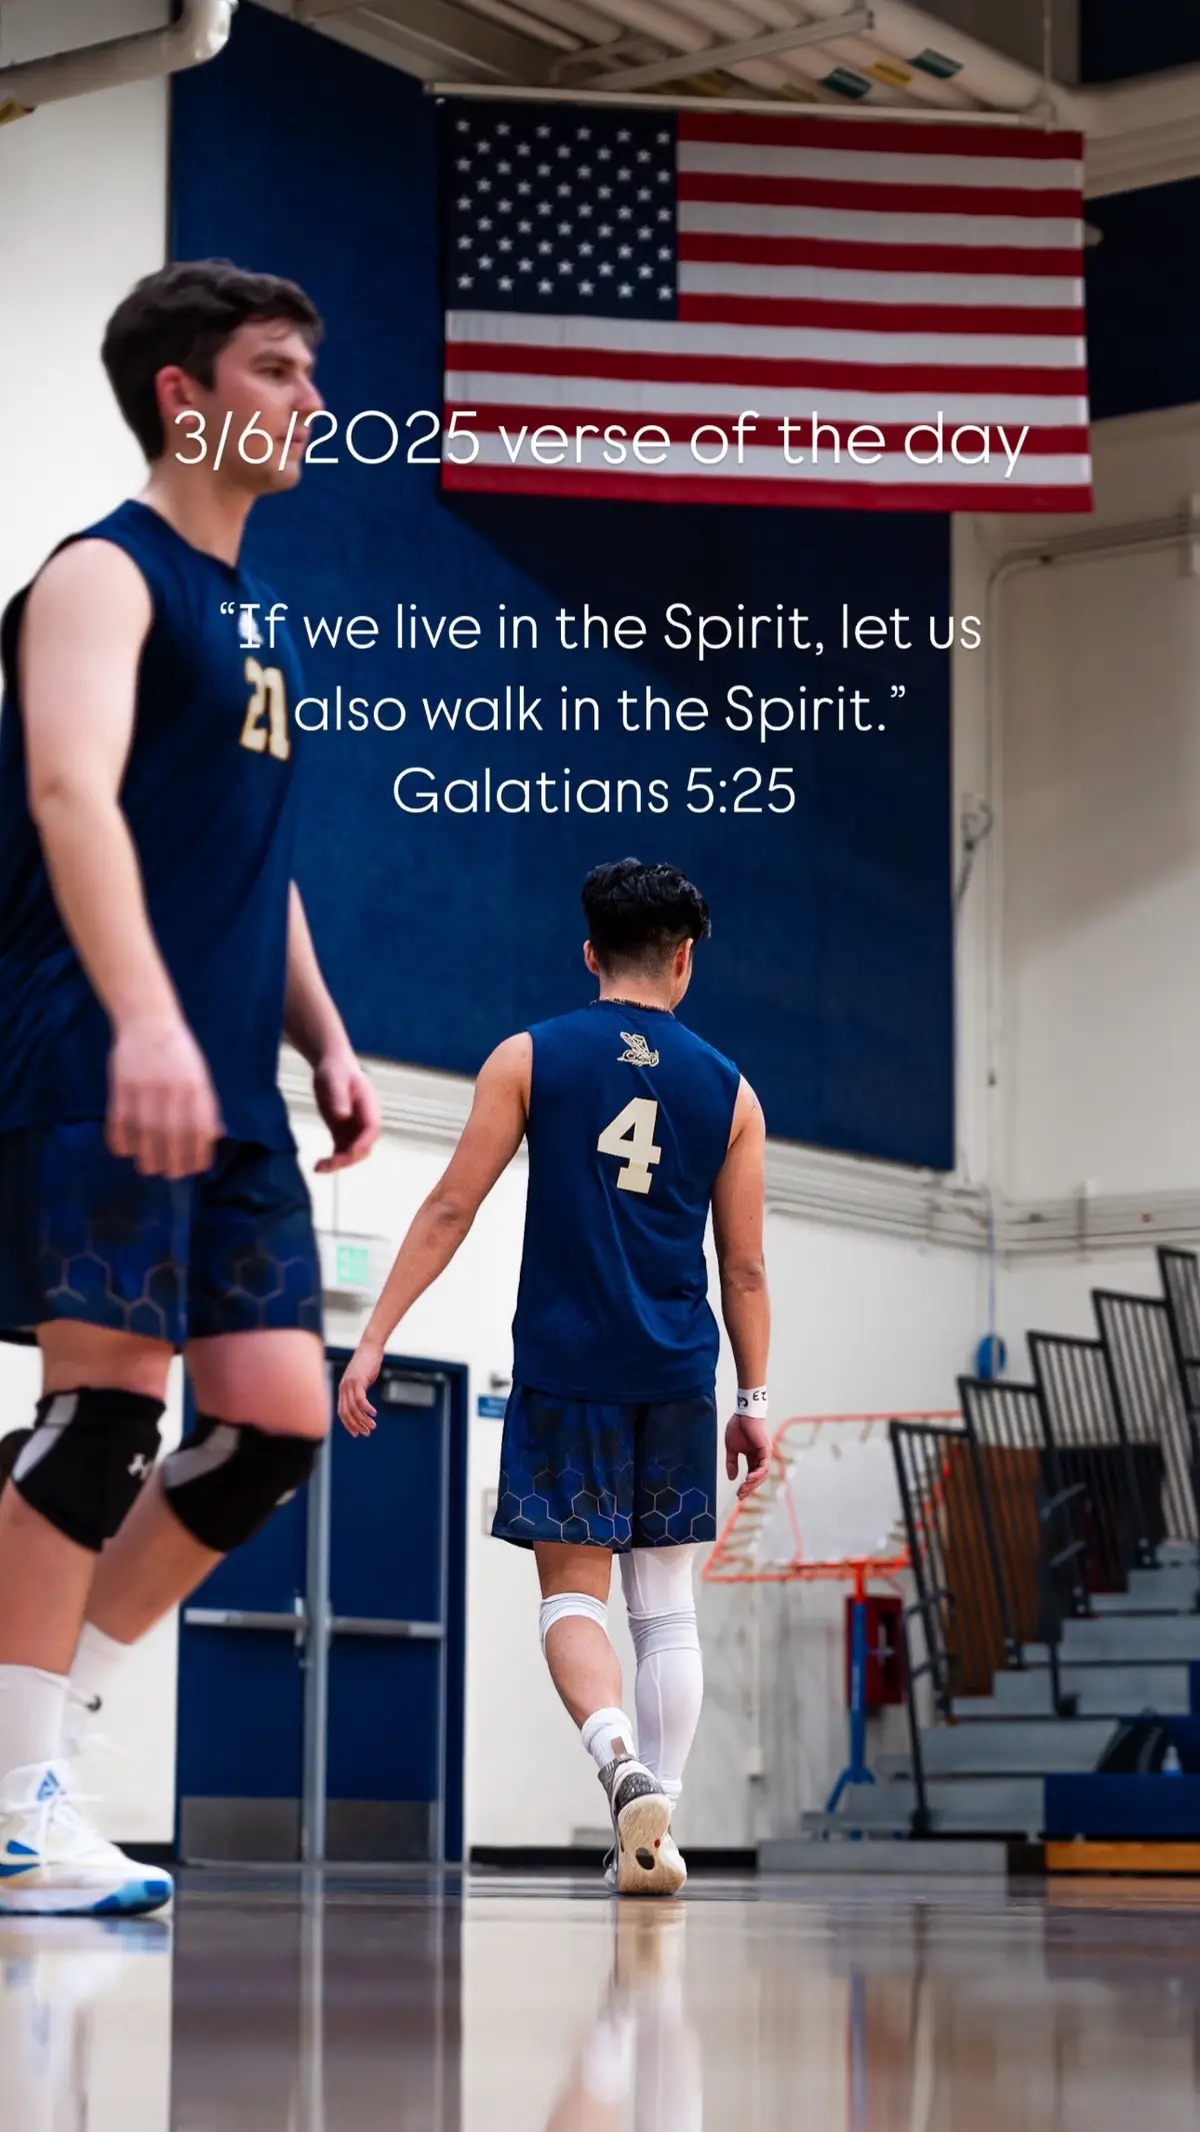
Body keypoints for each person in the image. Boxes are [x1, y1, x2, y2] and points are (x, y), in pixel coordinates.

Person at [0, 260, 380, 1916]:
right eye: (281, 370)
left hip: (226, 1071)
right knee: (103, 1411)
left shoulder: (262, 611)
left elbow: (249, 857)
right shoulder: (100, 574)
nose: (310, 399)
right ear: (187, 394)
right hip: (101, 1040)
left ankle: (34, 1743)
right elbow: (73, 791)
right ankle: (16, 1807)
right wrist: (148, 1019)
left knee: (273, 1425)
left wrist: (321, 1030)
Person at [339, 858, 771, 1894]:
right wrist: (753, 1398)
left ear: (589, 955)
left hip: (568, 1365)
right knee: (665, 1606)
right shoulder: (732, 1088)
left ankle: (617, 1760)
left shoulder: (528, 1056)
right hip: (675, 1369)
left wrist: (373, 1334)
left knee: (570, 1591)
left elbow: (452, 1204)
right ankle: (657, 1819)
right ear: (684, 958)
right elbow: (744, 1263)